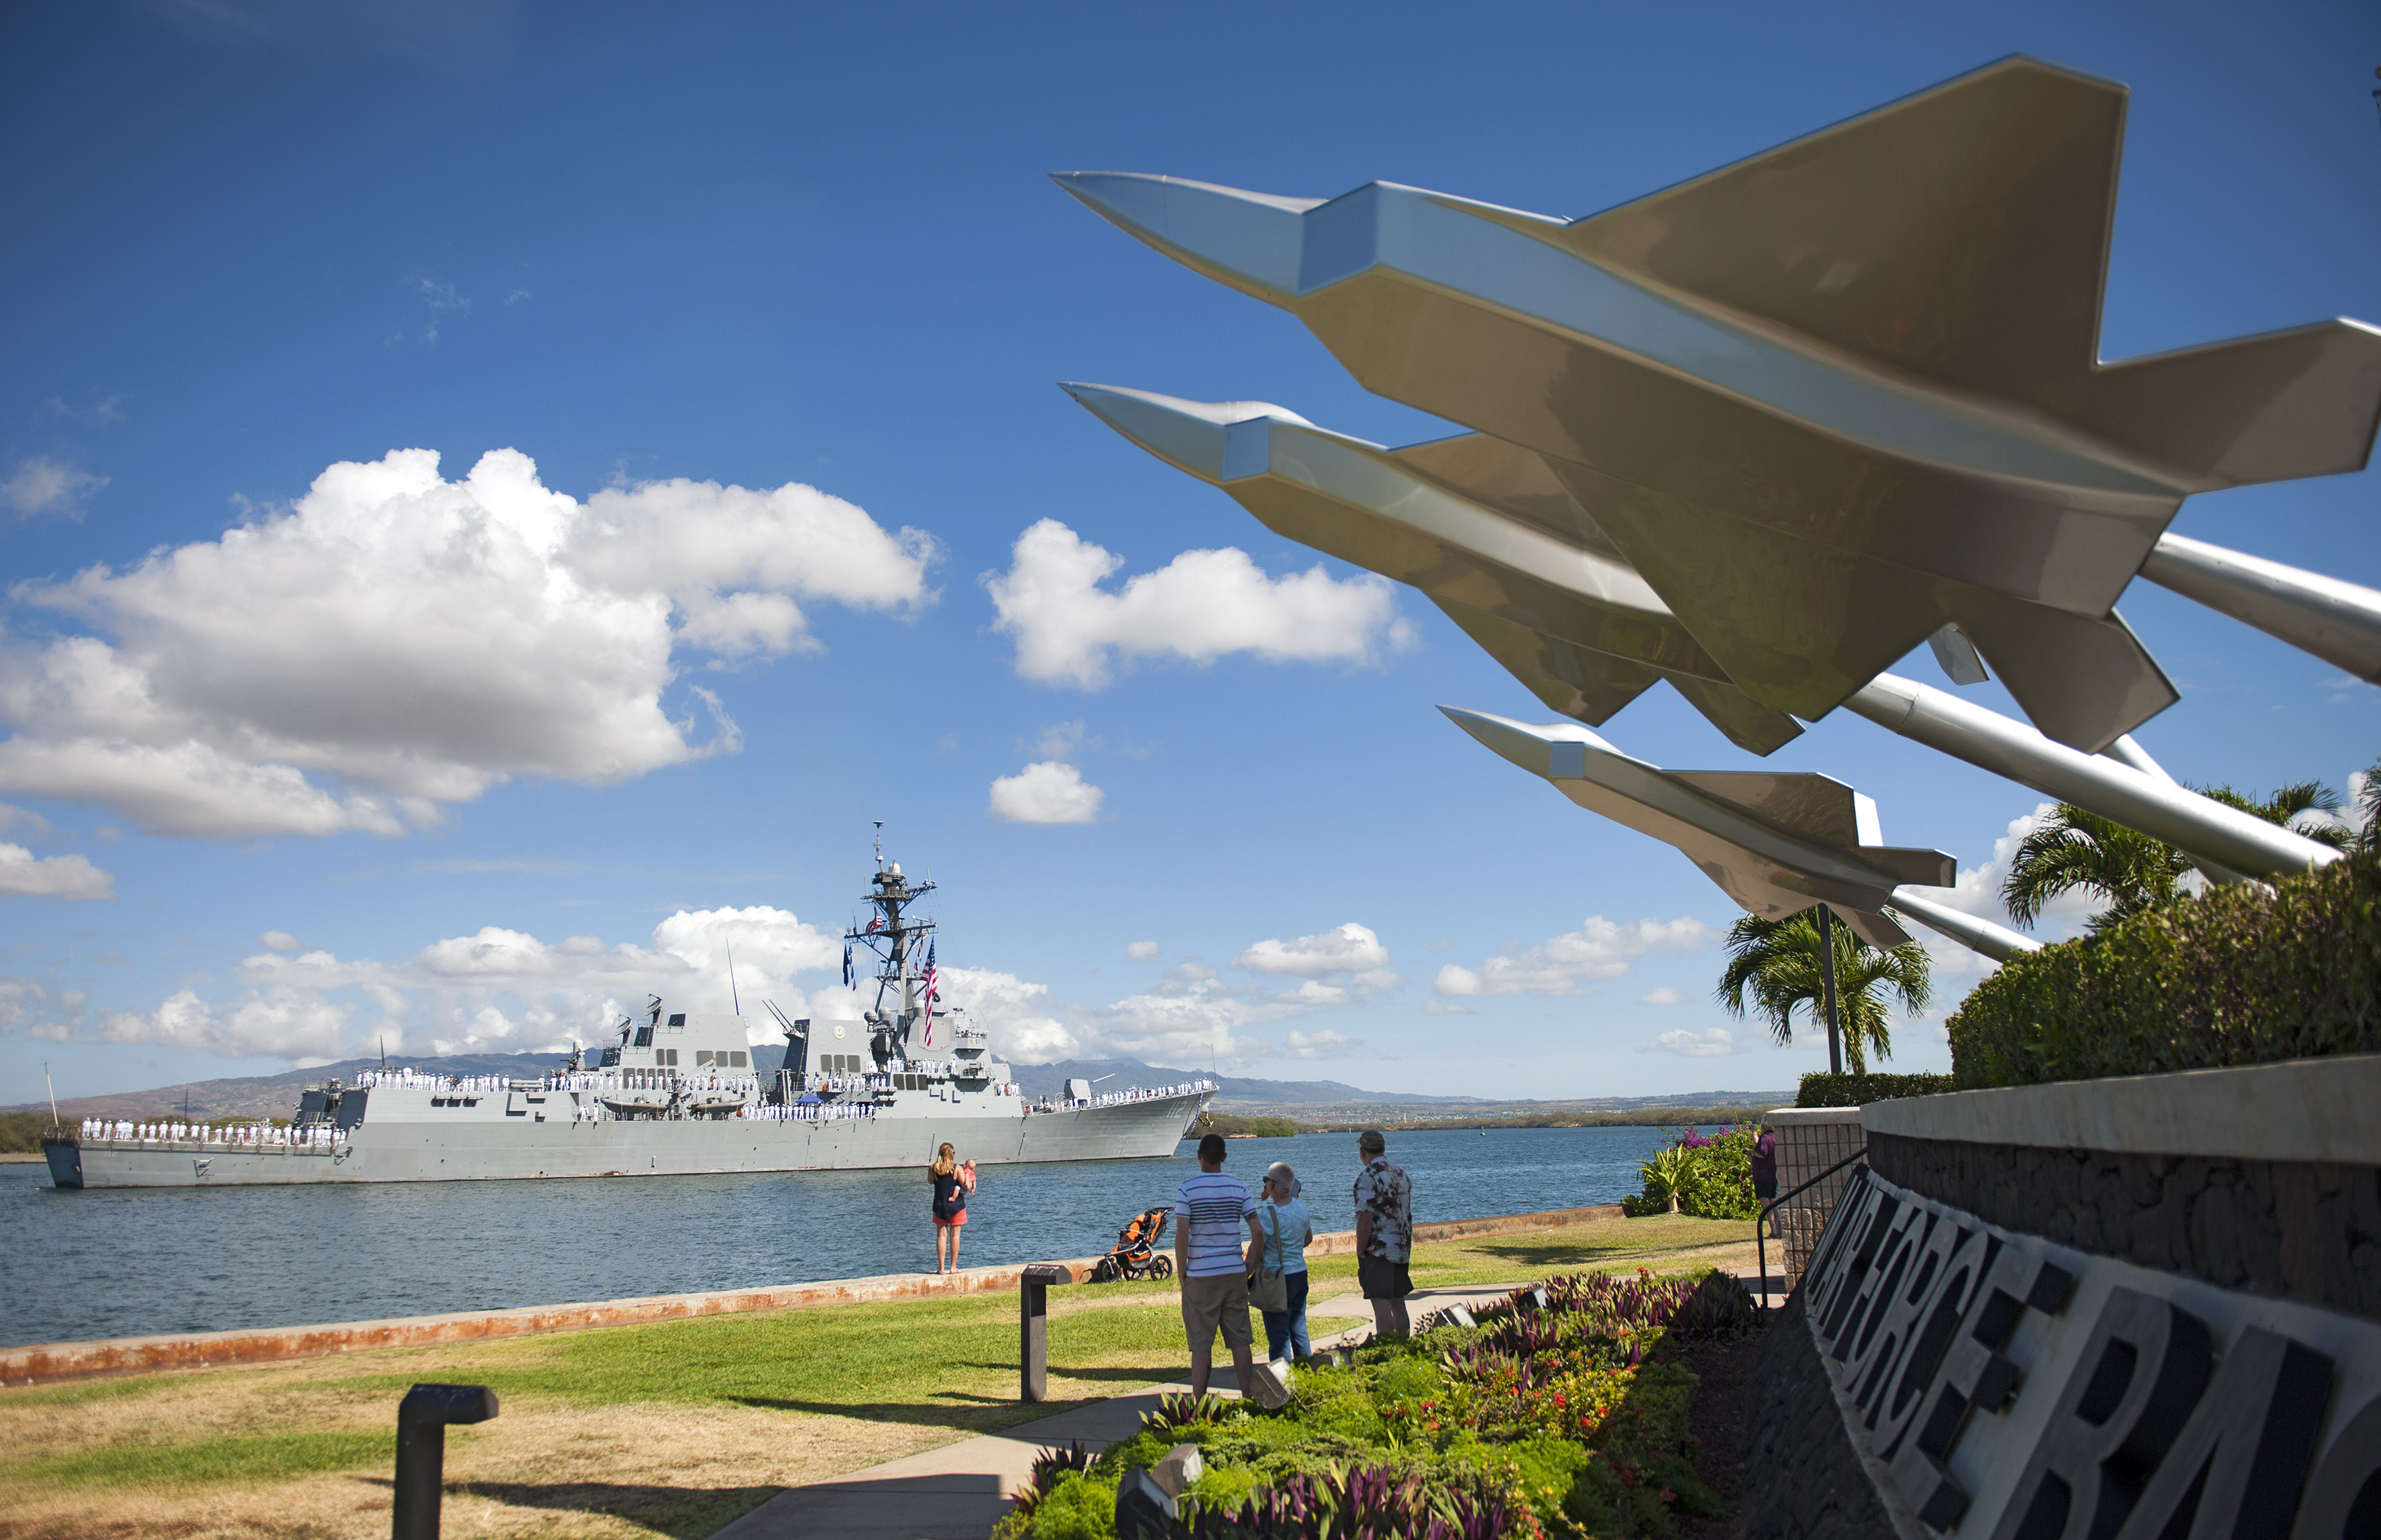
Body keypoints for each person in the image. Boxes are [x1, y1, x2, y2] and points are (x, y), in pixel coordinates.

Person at [1175, 1132, 1263, 1398]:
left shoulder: (1187, 1190)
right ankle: (1248, 1398)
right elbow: (1258, 1231)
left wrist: (1183, 1274)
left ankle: (1199, 1403)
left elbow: (1182, 1236)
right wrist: (1251, 1263)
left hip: (1200, 1275)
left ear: (1198, 1156)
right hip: (1234, 1272)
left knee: (1201, 1345)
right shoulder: (1238, 1187)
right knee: (1240, 1340)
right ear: (1224, 1158)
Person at [1247, 1160, 1313, 1362]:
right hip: (1299, 1274)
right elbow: (1308, 1239)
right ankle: (1307, 1375)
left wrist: (1249, 1269)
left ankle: (1282, 1384)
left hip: (1276, 1279)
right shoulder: (1301, 1208)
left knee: (1279, 1337)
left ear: (1272, 1185)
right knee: (1299, 1328)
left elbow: (1257, 1249)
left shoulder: (1267, 1215)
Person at [1352, 1128, 1413, 1341]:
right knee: (1398, 1302)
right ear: (1383, 1148)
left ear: (1362, 1151)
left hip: (1378, 1250)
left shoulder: (1367, 1177)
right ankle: (1405, 1346)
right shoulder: (1401, 1174)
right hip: (1402, 1248)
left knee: (1380, 1305)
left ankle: (1387, 1351)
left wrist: (1360, 1249)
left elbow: (1365, 1218)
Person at [929, 1142, 968, 1273]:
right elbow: (966, 1186)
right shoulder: (957, 1168)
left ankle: (941, 1268)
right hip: (956, 1206)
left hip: (939, 1205)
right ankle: (953, 1267)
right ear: (951, 1154)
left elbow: (930, 1181)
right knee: (955, 1235)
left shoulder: (933, 1168)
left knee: (941, 1236)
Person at [1751, 1122, 1779, 1235]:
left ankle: (1773, 1230)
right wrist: (1753, 1132)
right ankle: (1779, 1229)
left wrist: (1750, 1153)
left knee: (1765, 1202)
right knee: (1773, 1201)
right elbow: (1759, 1144)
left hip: (1763, 1175)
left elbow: (1762, 1153)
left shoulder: (1765, 1138)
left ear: (1762, 1126)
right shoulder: (1773, 1137)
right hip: (1773, 1174)